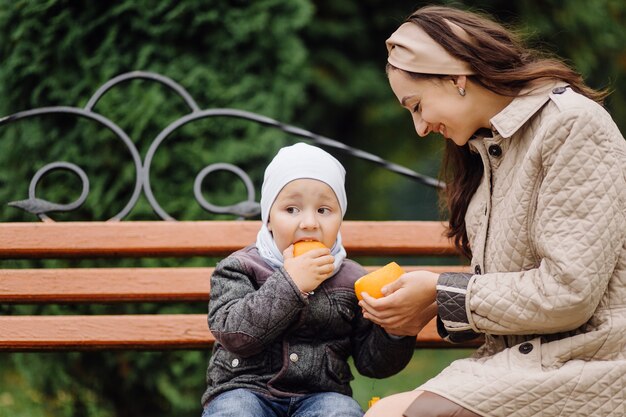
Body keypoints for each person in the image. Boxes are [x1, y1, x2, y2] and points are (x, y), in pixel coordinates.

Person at [359, 5, 626, 417]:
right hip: (529, 364)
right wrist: (433, 304)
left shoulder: (572, 126)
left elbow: (567, 294)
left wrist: (441, 290)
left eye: (417, 105)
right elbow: (518, 291)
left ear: (455, 78)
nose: (421, 126)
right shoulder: (488, 151)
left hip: (593, 365)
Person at [201, 142, 416, 417]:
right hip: (245, 390)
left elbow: (373, 363)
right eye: (291, 210)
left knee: (341, 412)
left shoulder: (351, 279)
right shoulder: (240, 268)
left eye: (324, 210)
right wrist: (291, 282)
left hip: (321, 396)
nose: (309, 223)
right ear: (268, 219)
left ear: (340, 218)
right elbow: (236, 335)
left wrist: (396, 329)